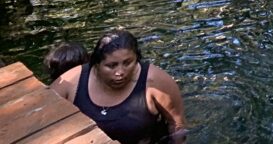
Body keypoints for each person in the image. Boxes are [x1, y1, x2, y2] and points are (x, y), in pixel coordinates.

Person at [52, 29, 187, 144]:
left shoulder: (156, 81)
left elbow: (177, 126)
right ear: (97, 64)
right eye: (111, 66)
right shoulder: (74, 79)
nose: (120, 73)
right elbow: (44, 114)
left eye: (128, 63)